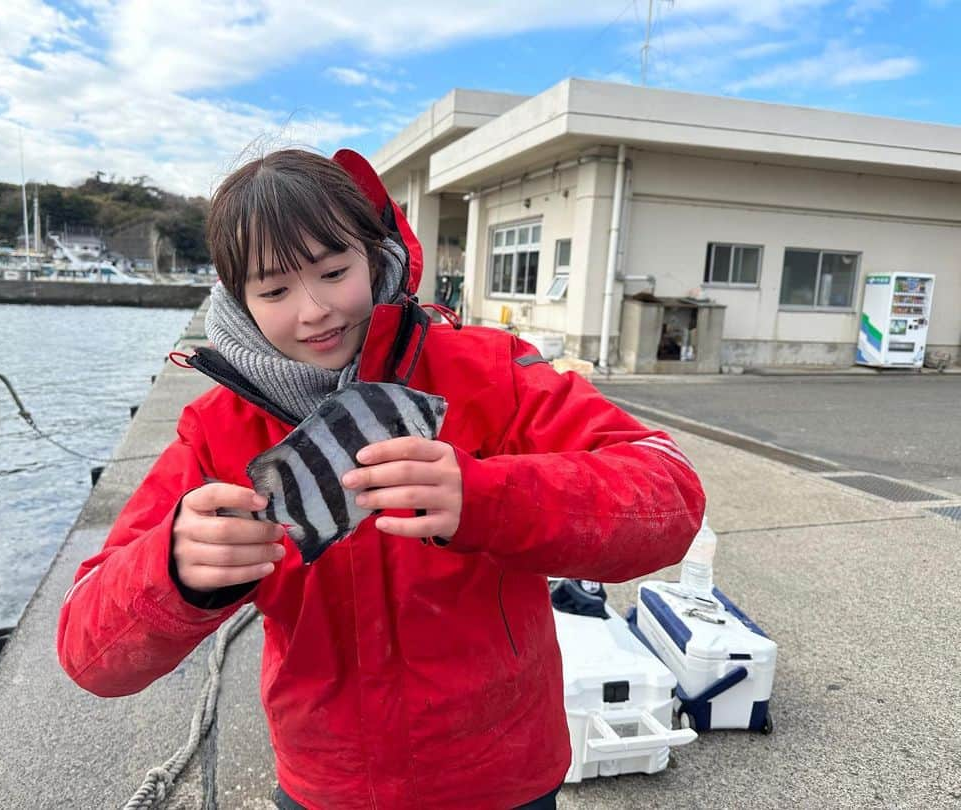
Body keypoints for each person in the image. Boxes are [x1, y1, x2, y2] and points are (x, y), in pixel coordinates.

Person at [56, 148, 706, 810]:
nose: (314, 311)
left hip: (503, 773)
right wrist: (173, 571)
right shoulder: (218, 431)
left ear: (375, 254)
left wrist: (484, 496)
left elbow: (669, 491)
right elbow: (88, 652)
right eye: (275, 290)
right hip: (329, 787)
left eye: (334, 271)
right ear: (239, 301)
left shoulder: (489, 369)